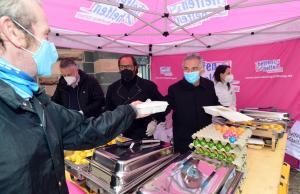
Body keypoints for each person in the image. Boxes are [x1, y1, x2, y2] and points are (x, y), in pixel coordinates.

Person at [0, 1, 147, 193]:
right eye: (46, 35)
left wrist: (130, 111)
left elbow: (85, 129)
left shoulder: (36, 100)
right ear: (13, 32)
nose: (51, 46)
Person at [166, 53, 220, 154]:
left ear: (201, 69)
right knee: (182, 167)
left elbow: (215, 104)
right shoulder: (174, 89)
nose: (189, 72)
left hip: (205, 138)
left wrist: (226, 110)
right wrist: (153, 115)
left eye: (194, 68)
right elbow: (165, 107)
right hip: (183, 140)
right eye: (186, 68)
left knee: (206, 166)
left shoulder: (209, 85)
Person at [106, 54, 165, 140]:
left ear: (135, 67)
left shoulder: (148, 86)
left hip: (143, 134)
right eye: (122, 66)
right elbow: (108, 111)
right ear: (119, 68)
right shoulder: (112, 88)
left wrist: (155, 121)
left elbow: (163, 106)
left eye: (129, 66)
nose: (125, 69)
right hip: (120, 134)